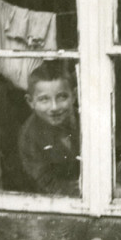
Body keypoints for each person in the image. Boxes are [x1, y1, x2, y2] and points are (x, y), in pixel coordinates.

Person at [17, 61, 80, 196]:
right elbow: (43, 181)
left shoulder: (86, 120)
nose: (54, 107)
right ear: (30, 102)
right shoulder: (29, 136)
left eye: (62, 97)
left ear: (74, 96)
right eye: (44, 100)